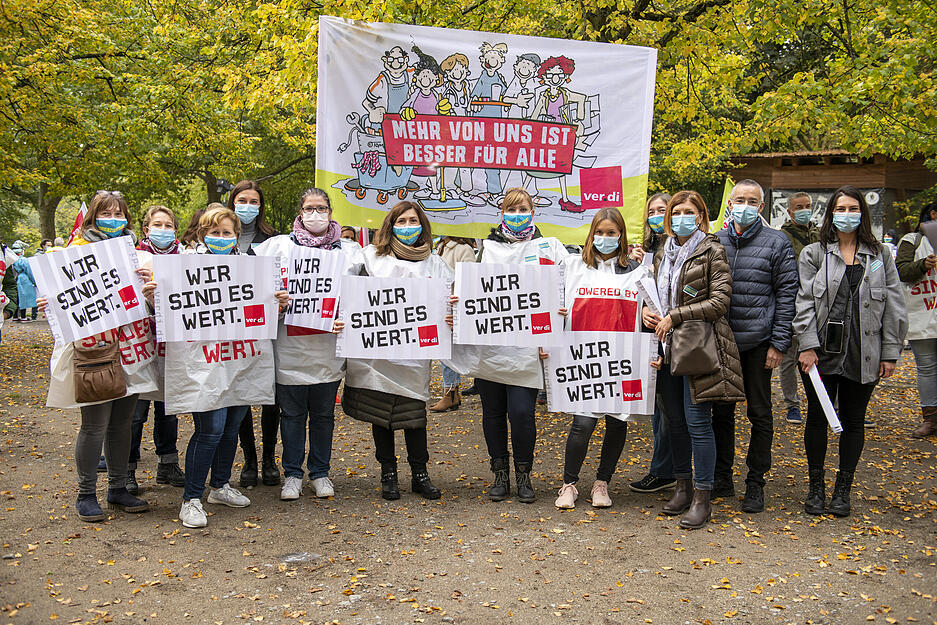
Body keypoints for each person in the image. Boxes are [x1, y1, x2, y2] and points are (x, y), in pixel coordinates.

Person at [142, 205, 289, 528]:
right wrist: (155, 299)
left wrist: (277, 306)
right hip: (203, 363)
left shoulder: (253, 268)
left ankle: (220, 485)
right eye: (214, 232)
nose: (221, 238)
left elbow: (264, 317)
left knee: (231, 427)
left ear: (237, 236)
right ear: (201, 234)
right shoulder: (183, 268)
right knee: (209, 429)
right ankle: (191, 498)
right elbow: (170, 316)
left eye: (227, 233)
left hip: (240, 360)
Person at [794, 185, 907, 516]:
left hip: (864, 350)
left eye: (853, 208)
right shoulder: (814, 254)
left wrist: (890, 351)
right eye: (840, 208)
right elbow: (803, 303)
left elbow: (895, 304)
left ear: (863, 213)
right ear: (830, 213)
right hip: (820, 353)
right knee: (817, 418)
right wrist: (807, 345)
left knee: (854, 420)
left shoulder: (879, 256)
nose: (847, 214)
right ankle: (816, 486)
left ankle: (843, 488)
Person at [42, 190, 154, 522]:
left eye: (120, 214)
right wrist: (49, 305)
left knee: (122, 423)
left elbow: (148, 303)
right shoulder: (74, 253)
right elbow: (60, 299)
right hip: (95, 350)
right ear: (93, 216)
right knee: (94, 425)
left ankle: (118, 488)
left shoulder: (135, 255)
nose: (114, 219)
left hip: (132, 347)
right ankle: (86, 493)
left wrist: (150, 286)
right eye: (107, 213)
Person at [643, 190, 745, 529]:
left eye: (688, 212)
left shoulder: (712, 250)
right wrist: (650, 313)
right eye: (675, 212)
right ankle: (682, 486)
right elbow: (656, 294)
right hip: (666, 347)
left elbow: (720, 302)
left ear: (700, 216)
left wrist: (676, 315)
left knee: (698, 421)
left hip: (699, 348)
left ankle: (703, 497)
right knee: (675, 420)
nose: (680, 218)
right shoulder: (661, 253)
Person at [252, 188, 363, 500]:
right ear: (300, 212)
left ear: (331, 211)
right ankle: (292, 474)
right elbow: (254, 288)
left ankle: (320, 472)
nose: (316, 213)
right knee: (292, 415)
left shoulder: (350, 252)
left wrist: (349, 316)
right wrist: (276, 300)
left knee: (324, 416)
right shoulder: (276, 248)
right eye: (310, 208)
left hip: (328, 350)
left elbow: (366, 295)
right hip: (289, 352)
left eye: (322, 207)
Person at [342, 201, 451, 501]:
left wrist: (451, 313)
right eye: (401, 221)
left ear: (422, 225)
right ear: (390, 226)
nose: (407, 226)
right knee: (381, 415)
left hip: (415, 357)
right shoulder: (371, 257)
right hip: (378, 354)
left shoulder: (436, 263)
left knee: (414, 415)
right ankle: (387, 473)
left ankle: (420, 473)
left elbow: (450, 297)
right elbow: (347, 291)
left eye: (412, 220)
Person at [466, 187, 570, 502]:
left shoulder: (550, 247)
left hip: (529, 347)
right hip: (492, 345)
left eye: (522, 208)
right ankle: (500, 475)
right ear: (501, 214)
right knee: (492, 413)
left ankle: (524, 475)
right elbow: (473, 290)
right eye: (510, 209)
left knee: (523, 413)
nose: (516, 214)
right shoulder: (486, 248)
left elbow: (565, 285)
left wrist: (558, 321)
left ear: (533, 212)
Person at [712, 179, 798, 513]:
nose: (745, 205)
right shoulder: (714, 241)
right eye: (739, 200)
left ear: (761, 207)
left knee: (759, 413)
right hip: (721, 342)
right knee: (721, 412)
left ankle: (755, 482)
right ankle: (722, 478)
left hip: (759, 343)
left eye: (752, 201)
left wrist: (778, 342)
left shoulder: (778, 242)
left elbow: (788, 294)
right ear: (730, 204)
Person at [554, 208, 640, 509]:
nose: (605, 238)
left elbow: (647, 313)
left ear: (621, 235)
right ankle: (570, 484)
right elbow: (556, 301)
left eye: (611, 233)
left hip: (623, 359)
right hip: (583, 359)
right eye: (600, 232)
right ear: (592, 234)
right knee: (582, 424)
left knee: (617, 423)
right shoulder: (573, 265)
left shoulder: (637, 270)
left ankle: (602, 483)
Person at [226, 180, 282, 488]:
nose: (247, 206)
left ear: (260, 206)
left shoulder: (274, 239)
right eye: (242, 199)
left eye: (254, 201)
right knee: (240, 395)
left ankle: (269, 458)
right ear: (232, 202)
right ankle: (249, 458)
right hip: (230, 329)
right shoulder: (217, 235)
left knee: (269, 395)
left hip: (264, 327)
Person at [126, 205, 185, 495]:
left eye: (169, 225)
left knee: (168, 407)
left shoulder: (186, 258)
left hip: (171, 343)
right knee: (136, 410)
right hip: (140, 341)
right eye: (157, 225)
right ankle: (127, 468)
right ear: (146, 229)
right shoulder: (130, 258)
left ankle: (168, 462)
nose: (164, 230)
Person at [628, 193, 677, 494]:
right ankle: (664, 468)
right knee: (659, 406)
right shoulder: (641, 250)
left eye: (663, 210)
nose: (657, 215)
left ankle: (665, 470)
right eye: (652, 211)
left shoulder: (678, 247)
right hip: (650, 334)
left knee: (670, 408)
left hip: (674, 333)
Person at [779, 192, 821, 424]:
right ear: (789, 211)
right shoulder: (782, 237)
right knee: (789, 358)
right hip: (791, 304)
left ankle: (825, 401)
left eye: (807, 206)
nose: (804, 210)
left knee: (820, 355)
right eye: (799, 207)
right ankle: (791, 404)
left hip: (819, 304)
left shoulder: (821, 235)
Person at [896, 201, 937, 438]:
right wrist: (923, 265)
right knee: (927, 368)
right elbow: (901, 271)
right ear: (933, 214)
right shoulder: (911, 240)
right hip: (923, 311)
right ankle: (930, 419)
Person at [430, 237, 476, 412]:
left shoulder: (463, 248)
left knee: (448, 350)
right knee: (444, 348)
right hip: (440, 303)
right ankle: (451, 392)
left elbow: (470, 279)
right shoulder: (440, 246)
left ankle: (450, 393)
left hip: (453, 305)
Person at [12, 248, 37, 322]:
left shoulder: (11, 260)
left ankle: (15, 316)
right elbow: (28, 270)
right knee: (23, 297)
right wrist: (34, 281)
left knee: (16, 298)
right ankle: (23, 317)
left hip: (14, 279)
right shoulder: (23, 260)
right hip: (23, 279)